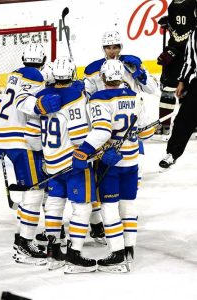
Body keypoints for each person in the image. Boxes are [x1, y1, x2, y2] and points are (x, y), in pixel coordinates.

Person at [76, 59, 155, 273]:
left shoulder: (98, 99)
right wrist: (132, 134)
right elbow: (147, 132)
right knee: (128, 205)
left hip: (111, 164)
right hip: (132, 161)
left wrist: (84, 150)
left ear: (102, 78)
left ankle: (117, 255)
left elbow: (101, 132)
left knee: (109, 207)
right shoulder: (136, 96)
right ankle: (129, 251)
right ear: (121, 77)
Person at [83, 30, 159, 244]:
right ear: (103, 49)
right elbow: (86, 98)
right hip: (105, 137)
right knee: (100, 185)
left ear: (121, 47)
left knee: (132, 184)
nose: (112, 51)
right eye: (108, 47)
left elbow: (154, 89)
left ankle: (123, 226)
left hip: (130, 136)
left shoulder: (132, 66)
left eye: (116, 46)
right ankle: (100, 224)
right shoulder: (93, 70)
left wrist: (142, 73)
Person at [0, 43, 56, 266]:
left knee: (32, 189)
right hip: (20, 140)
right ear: (43, 59)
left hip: (2, 136)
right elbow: (27, 104)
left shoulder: (14, 75)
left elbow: (2, 103)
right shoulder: (35, 75)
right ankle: (24, 244)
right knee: (35, 190)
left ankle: (24, 237)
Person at [32, 56, 97, 273]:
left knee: (54, 204)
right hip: (72, 162)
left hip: (50, 162)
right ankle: (74, 255)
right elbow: (79, 136)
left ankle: (53, 252)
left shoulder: (41, 96)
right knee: (81, 206)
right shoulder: (75, 96)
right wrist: (92, 152)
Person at [156, 0, 197, 139]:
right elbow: (179, 28)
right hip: (175, 51)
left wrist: (176, 48)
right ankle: (165, 124)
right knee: (168, 88)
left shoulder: (194, 3)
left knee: (189, 88)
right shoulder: (173, 4)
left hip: (191, 53)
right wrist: (168, 22)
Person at [160, 27, 197, 168]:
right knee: (183, 119)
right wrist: (182, 81)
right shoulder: (194, 34)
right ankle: (172, 153)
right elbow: (189, 60)